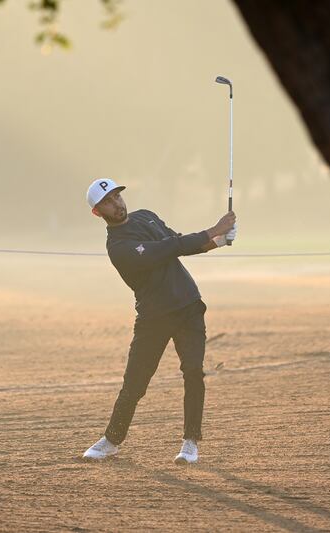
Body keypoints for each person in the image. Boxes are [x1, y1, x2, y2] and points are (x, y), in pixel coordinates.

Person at [82, 178, 237, 464]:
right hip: (153, 317)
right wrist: (214, 229)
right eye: (107, 202)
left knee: (193, 372)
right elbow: (169, 248)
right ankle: (111, 441)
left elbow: (179, 242)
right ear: (97, 213)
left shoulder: (146, 216)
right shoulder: (118, 246)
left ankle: (190, 442)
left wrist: (217, 242)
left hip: (188, 306)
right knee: (135, 383)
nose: (116, 204)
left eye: (117, 196)